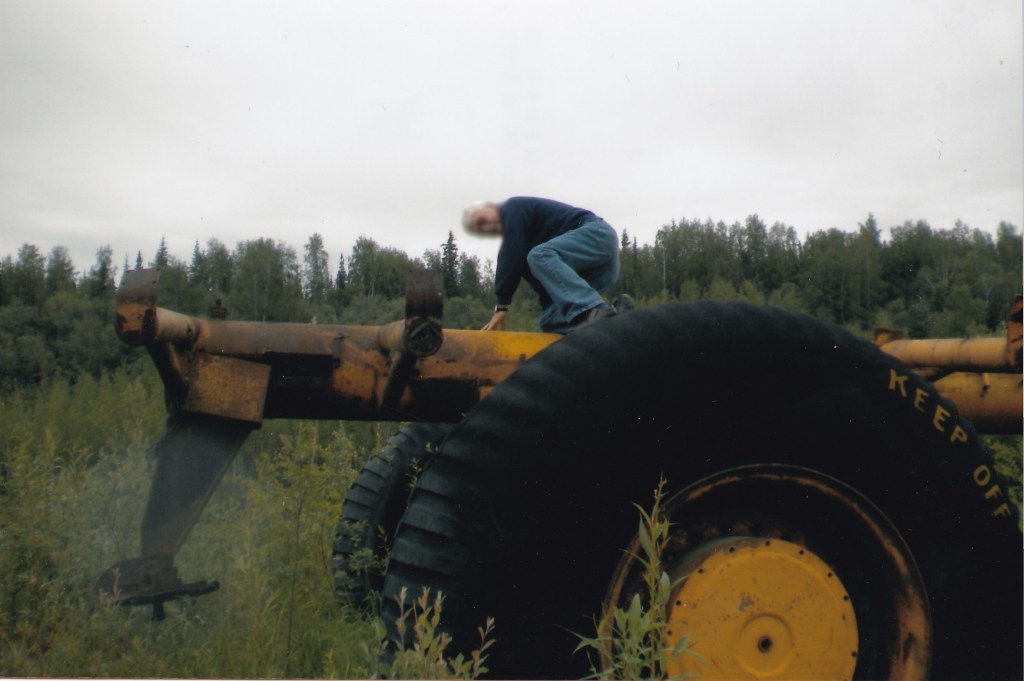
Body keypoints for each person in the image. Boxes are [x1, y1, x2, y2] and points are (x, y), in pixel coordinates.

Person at [463, 196, 620, 334]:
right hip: (597, 271)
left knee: (540, 255)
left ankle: (593, 312)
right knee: (549, 320)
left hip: (596, 235)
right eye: (481, 230)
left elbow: (510, 254)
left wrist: (502, 306)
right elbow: (552, 289)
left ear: (490, 207)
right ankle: (614, 324)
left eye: (482, 220)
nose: (487, 227)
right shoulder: (530, 253)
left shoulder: (513, 207)